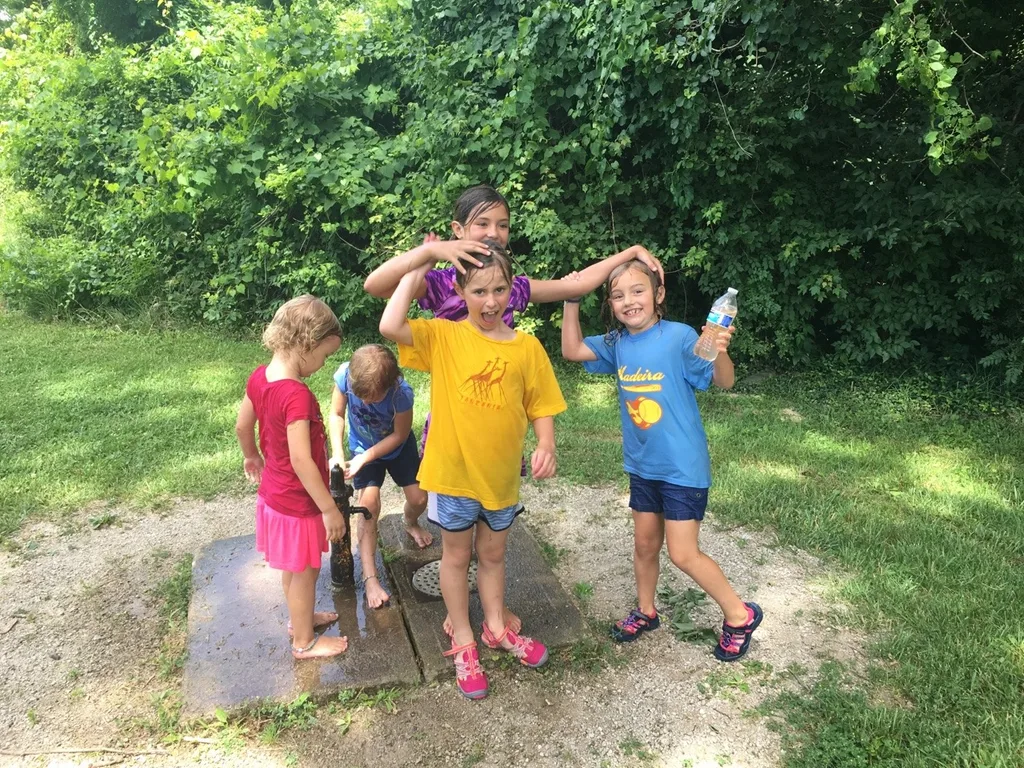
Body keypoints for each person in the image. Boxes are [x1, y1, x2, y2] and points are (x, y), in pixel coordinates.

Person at [363, 183, 664, 637]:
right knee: (456, 537)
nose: (494, 233)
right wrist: (431, 253)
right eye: (482, 224)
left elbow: (576, 283)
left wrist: (630, 253)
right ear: (459, 229)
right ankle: (457, 611)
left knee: (491, 533)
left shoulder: (513, 290)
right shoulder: (443, 278)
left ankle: (491, 613)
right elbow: (376, 288)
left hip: (498, 429)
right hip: (452, 426)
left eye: (502, 224)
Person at [379, 240, 567, 700]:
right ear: (460, 290)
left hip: (501, 478)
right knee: (456, 558)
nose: (491, 300)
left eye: (500, 289)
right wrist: (425, 259)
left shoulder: (527, 348)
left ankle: (497, 629)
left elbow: (540, 404)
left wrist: (546, 442)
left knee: (495, 556)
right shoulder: (443, 337)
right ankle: (463, 639)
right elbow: (389, 323)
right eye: (479, 290)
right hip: (453, 476)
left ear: (511, 291)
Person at [560, 261, 764, 662]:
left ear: (658, 295)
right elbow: (571, 350)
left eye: (638, 291)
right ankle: (646, 611)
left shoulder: (680, 336)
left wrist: (719, 349)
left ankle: (740, 616)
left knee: (683, 553)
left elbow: (724, 381)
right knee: (644, 545)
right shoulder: (617, 342)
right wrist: (570, 300)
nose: (628, 301)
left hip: (682, 467)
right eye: (617, 295)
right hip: (642, 465)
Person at [235, 294, 349, 659]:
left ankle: (300, 619)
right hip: (299, 502)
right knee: (304, 572)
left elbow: (242, 424)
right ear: (306, 345)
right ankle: (304, 642)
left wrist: (251, 455)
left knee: (295, 568)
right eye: (324, 355)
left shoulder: (259, 377)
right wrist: (329, 509)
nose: (322, 363)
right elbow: (302, 460)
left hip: (274, 495)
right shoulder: (296, 396)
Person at [328, 343, 432, 609]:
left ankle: (410, 522)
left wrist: (366, 457)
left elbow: (399, 435)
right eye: (360, 396)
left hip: (397, 448)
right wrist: (339, 453)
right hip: (362, 446)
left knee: (419, 498)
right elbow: (336, 414)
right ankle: (370, 577)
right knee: (368, 506)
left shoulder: (401, 394)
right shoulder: (345, 377)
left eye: (371, 399)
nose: (363, 403)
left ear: (389, 386)